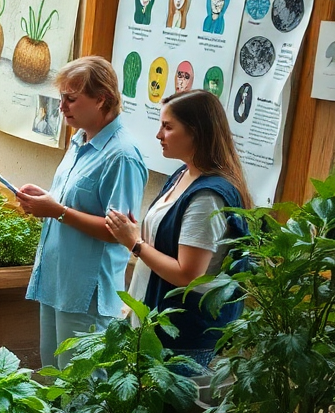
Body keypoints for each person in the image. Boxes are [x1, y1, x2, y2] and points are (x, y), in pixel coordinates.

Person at [16, 56, 147, 368]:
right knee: (53, 377)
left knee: (80, 386)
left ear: (101, 99)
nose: (62, 107)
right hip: (57, 282)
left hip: (87, 294)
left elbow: (119, 233)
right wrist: (46, 200)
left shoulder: (122, 155)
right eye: (61, 98)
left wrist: (57, 210)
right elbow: (76, 202)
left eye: (71, 99)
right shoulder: (80, 138)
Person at [106, 89, 250, 365]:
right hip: (155, 323)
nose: (159, 135)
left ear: (196, 133)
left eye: (168, 127)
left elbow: (187, 274)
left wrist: (134, 243)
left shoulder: (207, 197)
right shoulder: (184, 173)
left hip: (182, 339)